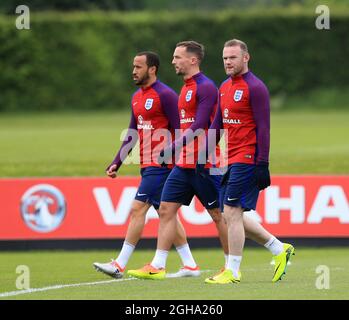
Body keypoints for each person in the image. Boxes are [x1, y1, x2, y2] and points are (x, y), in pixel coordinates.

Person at [127, 41, 230, 280]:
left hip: (205, 162)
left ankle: (230, 265)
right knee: (165, 209)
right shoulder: (185, 88)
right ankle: (158, 265)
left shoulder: (206, 87)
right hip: (184, 163)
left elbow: (199, 125)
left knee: (218, 215)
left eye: (177, 57)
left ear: (193, 60)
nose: (172, 61)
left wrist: (171, 148)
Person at [93, 51, 200, 279]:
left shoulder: (166, 95)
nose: (134, 71)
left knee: (137, 209)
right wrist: (116, 163)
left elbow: (182, 129)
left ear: (152, 69)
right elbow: (132, 132)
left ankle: (119, 264)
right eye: (133, 66)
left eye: (139, 66)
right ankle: (190, 264)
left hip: (161, 165)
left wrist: (176, 156)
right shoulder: (136, 97)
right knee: (167, 215)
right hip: (146, 162)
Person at [204, 39, 295, 284]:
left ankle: (232, 271)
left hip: (248, 157)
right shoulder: (223, 87)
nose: (227, 62)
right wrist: (205, 148)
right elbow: (218, 124)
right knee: (229, 214)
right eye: (224, 58)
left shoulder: (256, 88)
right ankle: (279, 249)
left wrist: (263, 163)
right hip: (230, 157)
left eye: (232, 57)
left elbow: (264, 129)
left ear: (246, 58)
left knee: (232, 212)